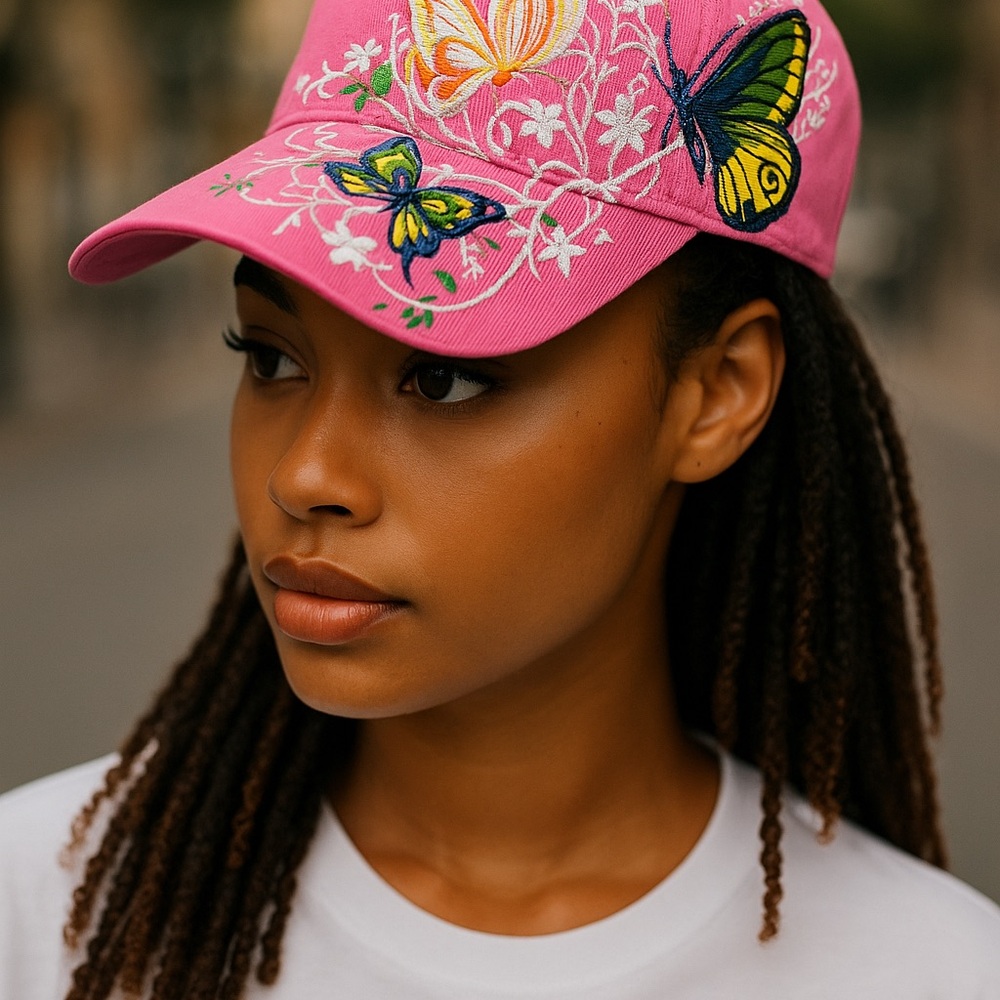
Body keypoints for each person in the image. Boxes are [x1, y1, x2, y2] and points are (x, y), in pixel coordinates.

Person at [1, 0, 998, 996]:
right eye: (269, 357)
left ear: (715, 394)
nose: (305, 474)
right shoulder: (43, 914)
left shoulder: (925, 970)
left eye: (443, 377)